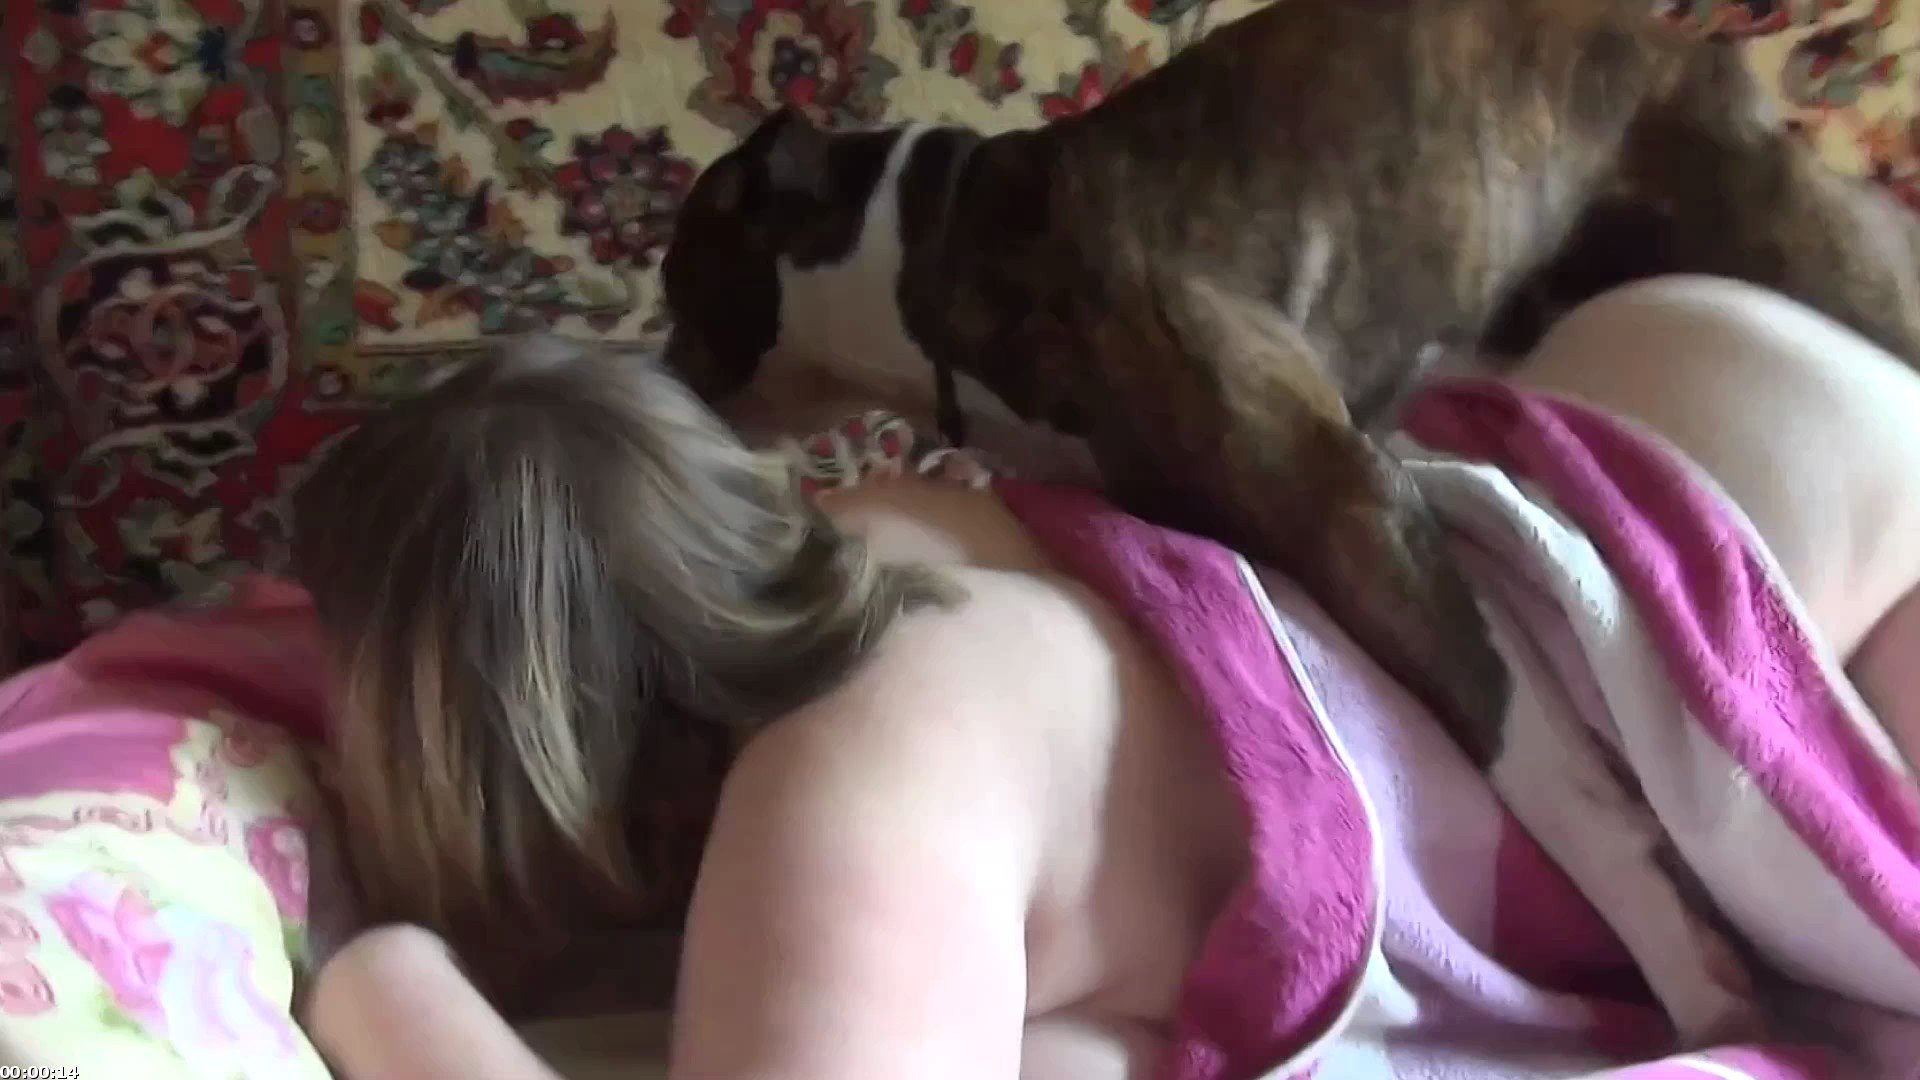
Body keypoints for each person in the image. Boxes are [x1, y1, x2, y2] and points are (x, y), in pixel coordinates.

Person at [291, 277, 1920, 1080]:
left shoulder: (847, 789)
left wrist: (384, 981)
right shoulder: (901, 537)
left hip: (1709, 553)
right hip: (1687, 409)